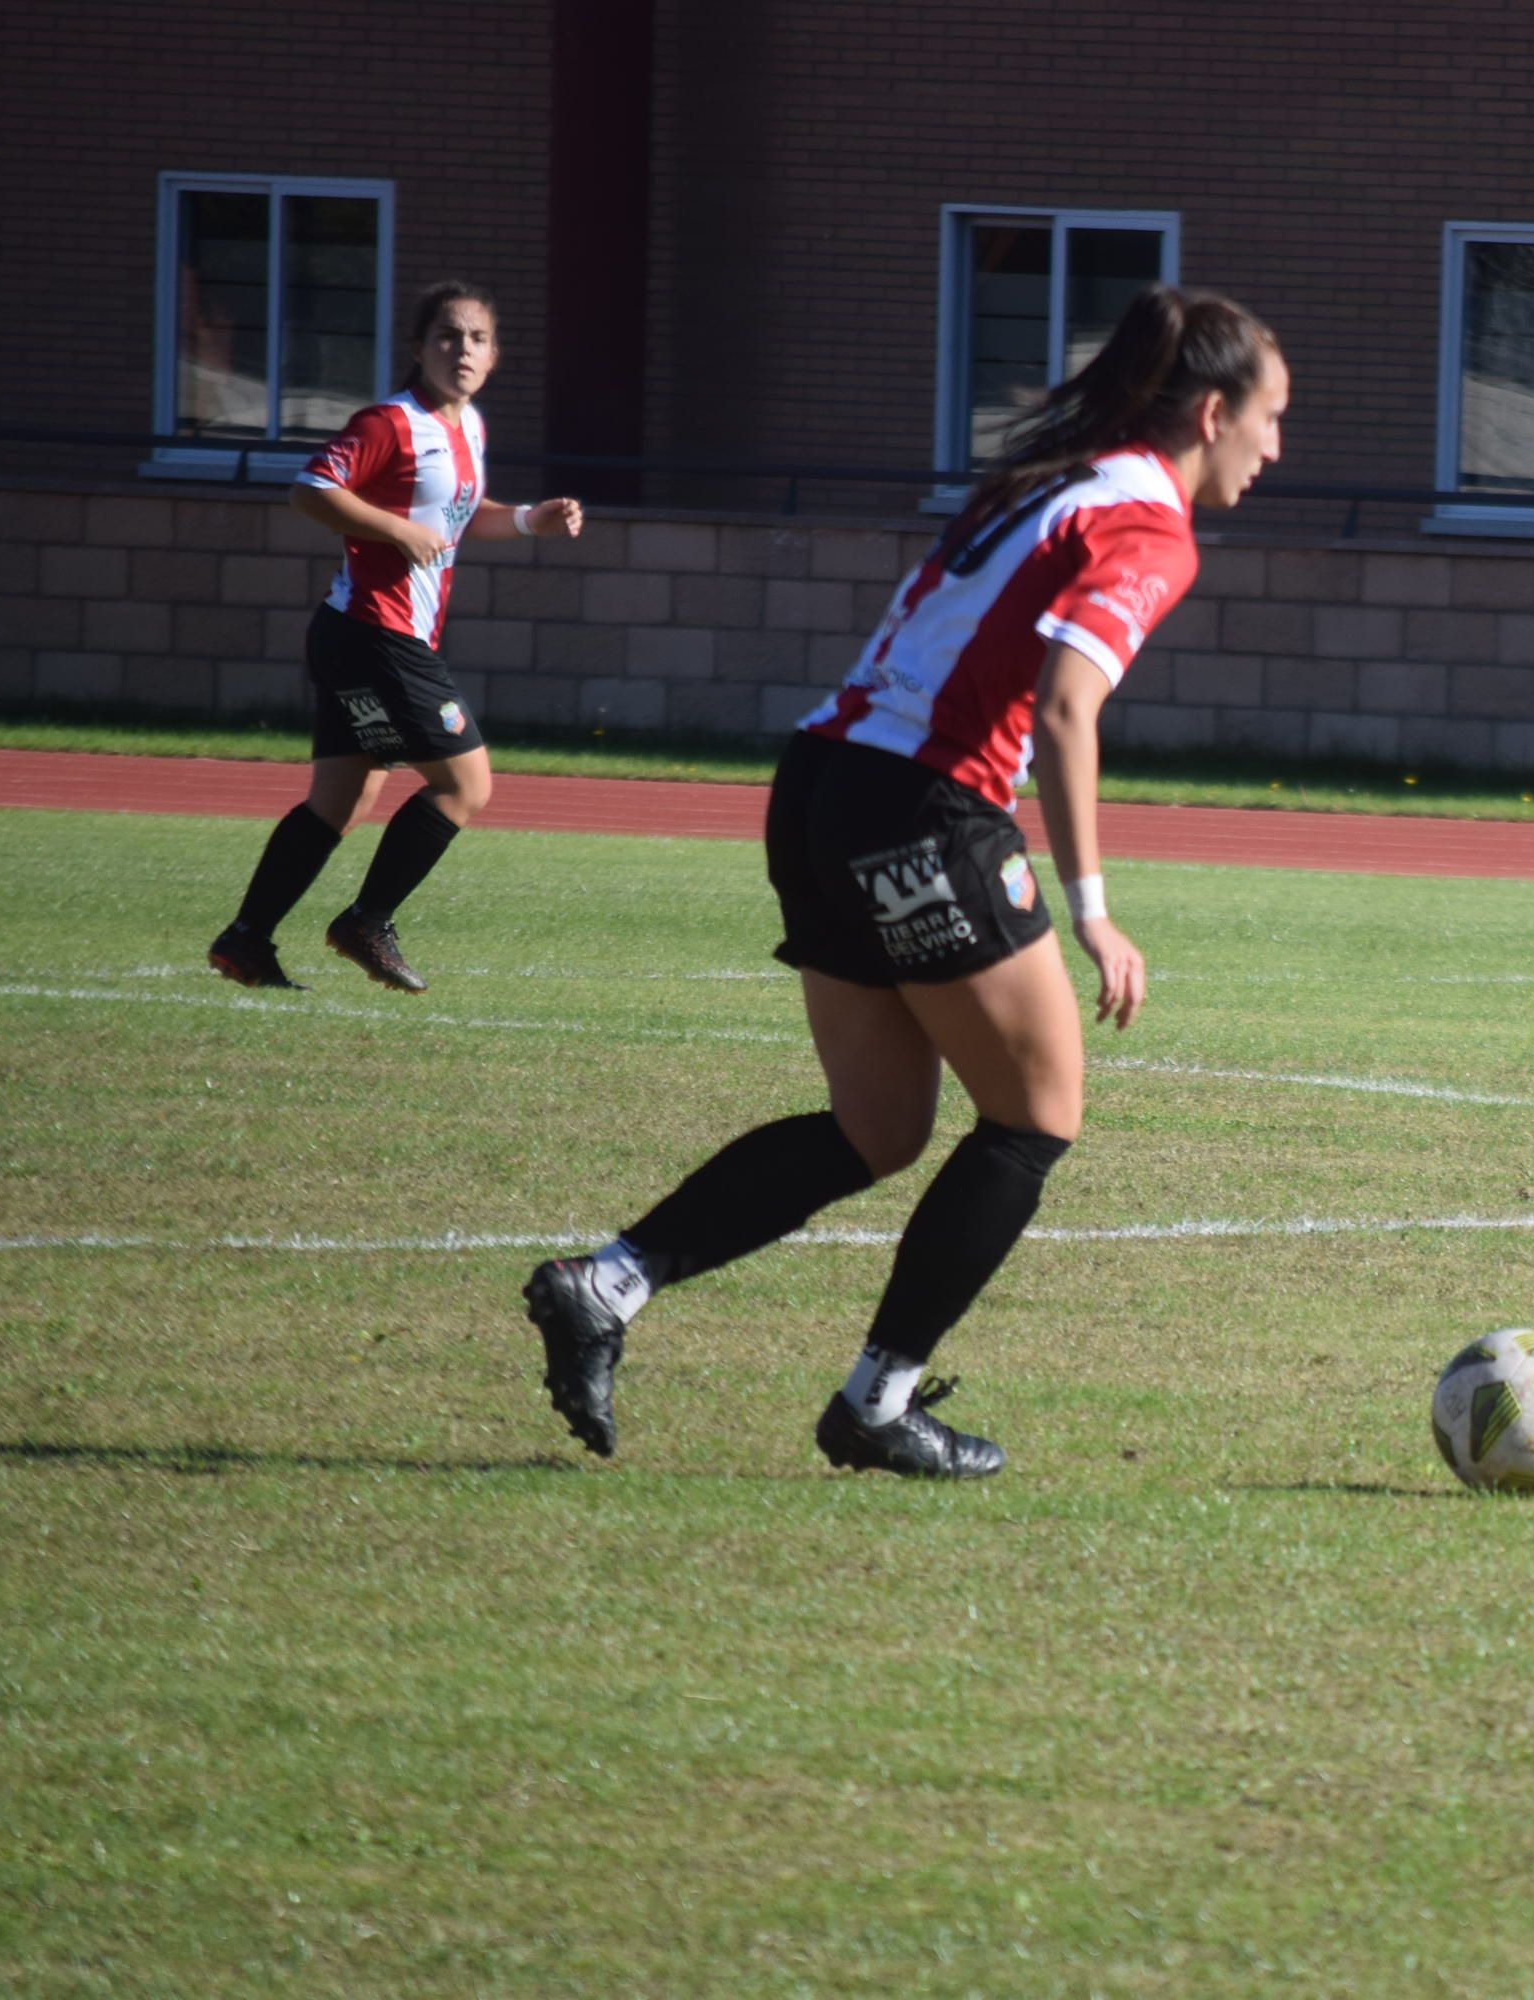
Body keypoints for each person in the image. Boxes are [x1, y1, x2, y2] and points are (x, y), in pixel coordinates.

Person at [523, 285, 1287, 1479]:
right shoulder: (1148, 521)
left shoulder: (1045, 479)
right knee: (1036, 1117)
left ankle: (604, 1285)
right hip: (920, 806)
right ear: (1209, 410)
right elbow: (1068, 703)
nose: (1275, 445)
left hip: (819, 782)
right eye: (1269, 416)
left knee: (877, 1128)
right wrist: (1094, 909)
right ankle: (874, 1403)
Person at [206, 279, 585, 994]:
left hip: (361, 636)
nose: (461, 349)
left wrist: (534, 517)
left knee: (341, 802)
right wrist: (395, 528)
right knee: (466, 783)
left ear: (495, 355)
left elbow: (460, 516)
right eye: (447, 336)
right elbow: (311, 488)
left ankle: (245, 939)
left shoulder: (466, 427)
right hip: (376, 633)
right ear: (419, 349)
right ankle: (366, 921)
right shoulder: (391, 421)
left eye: (476, 338)